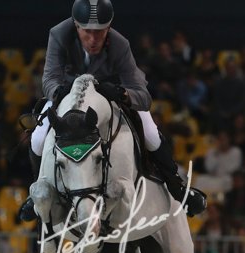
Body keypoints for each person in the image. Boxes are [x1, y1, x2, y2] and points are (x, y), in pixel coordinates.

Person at [19, 0, 207, 222]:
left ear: (108, 27)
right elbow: (49, 78)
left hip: (109, 97)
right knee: (38, 138)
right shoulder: (59, 35)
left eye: (100, 32)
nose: (93, 39)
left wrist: (123, 93)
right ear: (76, 26)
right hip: (68, 96)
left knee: (151, 133)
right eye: (87, 32)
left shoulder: (119, 43)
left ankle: (178, 188)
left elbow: (142, 94)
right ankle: (37, 188)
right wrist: (58, 91)